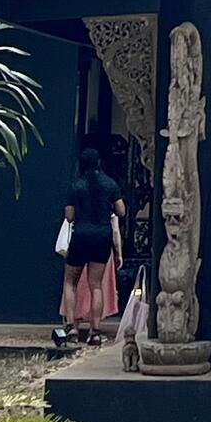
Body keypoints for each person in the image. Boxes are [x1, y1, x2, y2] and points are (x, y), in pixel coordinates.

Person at [63, 146, 125, 345]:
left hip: (81, 235)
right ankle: (95, 331)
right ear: (99, 163)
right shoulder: (110, 184)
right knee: (96, 285)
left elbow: (69, 216)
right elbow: (121, 210)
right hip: (101, 235)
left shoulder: (77, 186)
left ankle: (72, 328)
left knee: (70, 282)